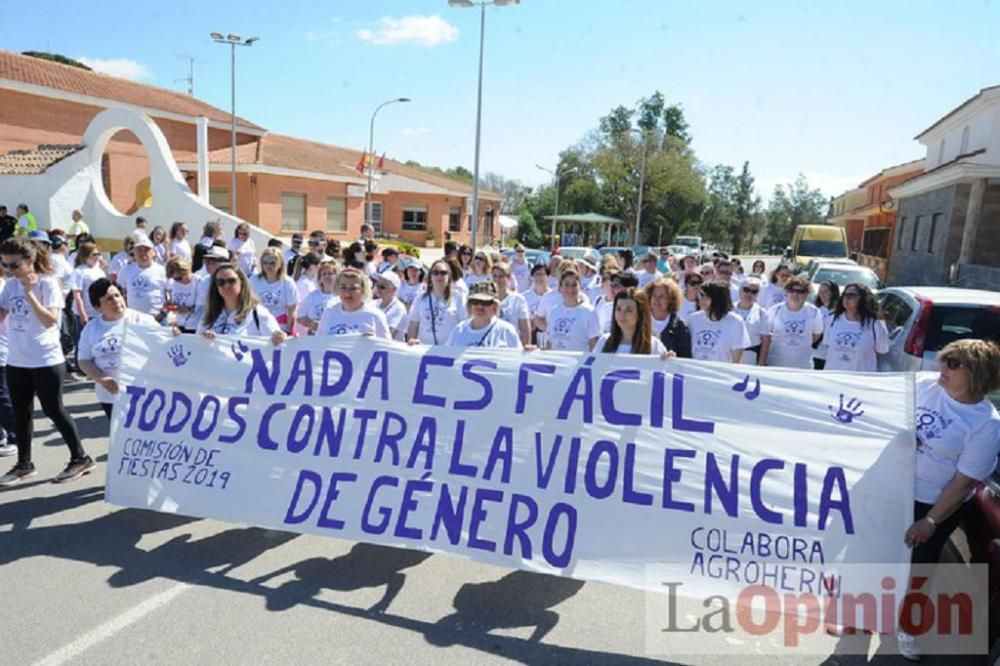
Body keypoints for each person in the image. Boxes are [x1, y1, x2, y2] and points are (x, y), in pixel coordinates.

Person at [897, 339, 1000, 660]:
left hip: (932, 503)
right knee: (875, 555)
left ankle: (908, 629)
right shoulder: (925, 386)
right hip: (892, 490)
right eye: (945, 360)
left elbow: (963, 482)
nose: (943, 367)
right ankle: (865, 617)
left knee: (918, 570)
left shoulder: (986, 424)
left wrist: (930, 520)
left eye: (954, 364)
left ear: (978, 374)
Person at [0, 238, 94, 486]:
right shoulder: (10, 286)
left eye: (15, 265)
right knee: (22, 414)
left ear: (30, 260)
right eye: (5, 265)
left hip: (45, 359)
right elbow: (2, 314)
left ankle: (80, 457)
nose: (10, 270)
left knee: (54, 410)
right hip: (17, 359)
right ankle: (24, 463)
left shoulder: (48, 283)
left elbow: (50, 320)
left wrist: (30, 292)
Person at [77, 279, 158, 419]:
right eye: (109, 299)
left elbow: (164, 346)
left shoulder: (143, 320)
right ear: (98, 307)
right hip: (110, 396)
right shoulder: (91, 328)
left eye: (117, 295)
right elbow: (84, 360)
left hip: (143, 393)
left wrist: (174, 334)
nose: (116, 301)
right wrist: (102, 379)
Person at [192, 263, 285, 346]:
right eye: (220, 282)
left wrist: (281, 337)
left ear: (242, 282)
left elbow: (278, 342)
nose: (226, 285)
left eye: (231, 281)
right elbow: (195, 346)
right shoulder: (209, 315)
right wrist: (204, 340)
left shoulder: (258, 313)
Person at [759, 275, 823, 368]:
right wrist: (762, 363)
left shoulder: (814, 312)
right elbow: (766, 337)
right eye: (792, 291)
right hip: (775, 364)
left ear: (806, 294)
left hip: (803, 366)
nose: (795, 294)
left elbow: (817, 334)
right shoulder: (774, 310)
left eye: (800, 291)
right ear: (786, 292)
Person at [822, 283, 889, 372]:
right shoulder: (832, 320)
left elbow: (881, 352)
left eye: (851, 295)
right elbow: (827, 346)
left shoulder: (875, 325)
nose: (846, 298)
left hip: (858, 381)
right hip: (833, 378)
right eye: (844, 295)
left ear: (862, 298)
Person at [687, 280, 751, 363]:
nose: (701, 300)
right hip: (695, 373)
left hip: (720, 373)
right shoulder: (693, 319)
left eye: (706, 297)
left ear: (718, 299)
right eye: (701, 295)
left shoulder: (736, 322)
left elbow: (736, 360)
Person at [536, 269, 600, 352]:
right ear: (560, 288)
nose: (570, 289)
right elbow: (550, 341)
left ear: (579, 287)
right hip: (557, 361)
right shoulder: (554, 311)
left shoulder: (589, 312)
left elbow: (594, 343)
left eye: (574, 285)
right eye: (566, 285)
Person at [445, 280, 522, 348]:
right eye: (475, 302)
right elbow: (446, 355)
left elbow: (518, 359)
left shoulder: (507, 330)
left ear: (494, 305)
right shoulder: (459, 330)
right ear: (469, 305)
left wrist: (528, 353)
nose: (480, 306)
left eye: (485, 302)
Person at [596, 287, 670, 357]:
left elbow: (665, 368)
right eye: (618, 309)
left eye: (629, 310)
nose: (622, 314)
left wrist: (669, 360)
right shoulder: (604, 341)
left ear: (640, 314)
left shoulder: (654, 345)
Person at [316, 268, 390, 338]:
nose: (347, 293)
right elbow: (318, 343)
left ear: (363, 290)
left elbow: (387, 347)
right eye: (343, 287)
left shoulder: (375, 316)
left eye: (353, 288)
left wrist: (373, 341)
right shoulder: (329, 313)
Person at [406, 259, 466, 345]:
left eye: (443, 273)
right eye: (435, 272)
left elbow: (465, 325)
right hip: (423, 350)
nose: (439, 276)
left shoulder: (459, 297)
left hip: (450, 350)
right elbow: (413, 325)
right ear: (430, 276)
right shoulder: (421, 298)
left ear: (449, 276)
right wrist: (410, 342)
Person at [249, 247, 298, 336]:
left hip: (280, 327)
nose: (268, 266)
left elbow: (292, 309)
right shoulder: (254, 280)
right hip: (258, 325)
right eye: (265, 263)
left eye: (272, 263)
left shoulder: (288, 282)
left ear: (280, 264)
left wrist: (288, 331)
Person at [119, 235, 168, 322]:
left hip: (157, 319)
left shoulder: (162, 270)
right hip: (133, 319)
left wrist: (163, 313)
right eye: (139, 250)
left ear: (153, 252)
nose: (143, 253)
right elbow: (120, 291)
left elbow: (170, 295)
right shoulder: (126, 270)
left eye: (146, 250)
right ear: (134, 252)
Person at [645, 276, 691, 358]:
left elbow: (685, 357)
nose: (657, 299)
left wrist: (673, 357)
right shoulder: (640, 320)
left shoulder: (680, 326)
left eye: (662, 296)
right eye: (654, 295)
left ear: (671, 300)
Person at [732, 277, 770, 366]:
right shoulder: (728, 309)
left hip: (750, 356)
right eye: (746, 290)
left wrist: (761, 362)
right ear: (740, 290)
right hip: (730, 354)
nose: (749, 294)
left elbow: (766, 339)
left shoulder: (761, 312)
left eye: (754, 291)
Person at [491, 263, 531, 346]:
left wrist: (526, 347)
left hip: (512, 348)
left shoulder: (518, 299)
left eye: (501, 276)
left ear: (508, 278)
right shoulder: (487, 299)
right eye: (495, 276)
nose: (497, 280)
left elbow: (525, 329)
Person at [297, 259, 339, 335]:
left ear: (337, 276)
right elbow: (300, 317)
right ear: (319, 278)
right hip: (314, 337)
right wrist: (310, 323)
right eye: (324, 274)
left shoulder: (341, 297)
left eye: (330, 273)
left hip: (334, 337)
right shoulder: (312, 296)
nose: (327, 276)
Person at [70, 242, 106, 328]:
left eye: (98, 254)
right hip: (87, 314)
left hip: (99, 312)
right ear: (86, 256)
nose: (97, 257)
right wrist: (83, 314)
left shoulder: (99, 270)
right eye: (94, 255)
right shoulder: (79, 271)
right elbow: (77, 295)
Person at [165, 256, 200, 334]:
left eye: (179, 278)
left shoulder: (199, 282)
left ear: (186, 271)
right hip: (178, 325)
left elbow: (204, 308)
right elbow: (172, 303)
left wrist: (188, 309)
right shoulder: (174, 284)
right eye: (175, 279)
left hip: (195, 326)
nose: (178, 281)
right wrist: (170, 307)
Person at [812, 279, 840, 370]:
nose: (822, 295)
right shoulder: (816, 310)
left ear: (833, 293)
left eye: (826, 292)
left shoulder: (839, 312)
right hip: (816, 352)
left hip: (831, 354)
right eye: (820, 292)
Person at [374, 271, 407, 341]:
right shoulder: (372, 303)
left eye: (382, 287)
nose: (378, 289)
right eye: (377, 285)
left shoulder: (399, 308)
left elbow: (388, 334)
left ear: (394, 290)